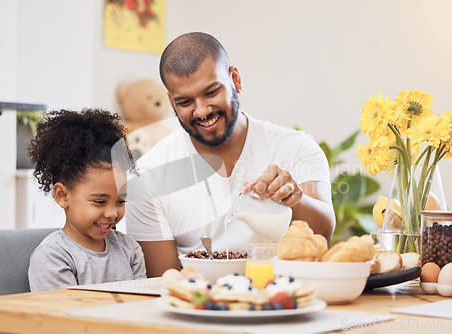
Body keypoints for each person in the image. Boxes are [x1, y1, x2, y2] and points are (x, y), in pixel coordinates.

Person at [126, 32, 336, 277]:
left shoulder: (296, 147)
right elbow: (164, 281)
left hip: (285, 302)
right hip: (197, 308)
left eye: (212, 92)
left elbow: (324, 233)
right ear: (172, 104)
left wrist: (293, 198)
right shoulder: (147, 175)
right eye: (185, 102)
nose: (202, 111)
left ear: (234, 79)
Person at [27, 109, 146, 291]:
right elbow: (65, 317)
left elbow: (143, 305)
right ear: (62, 196)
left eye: (120, 201)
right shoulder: (53, 256)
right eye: (99, 201)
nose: (112, 213)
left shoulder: (129, 249)